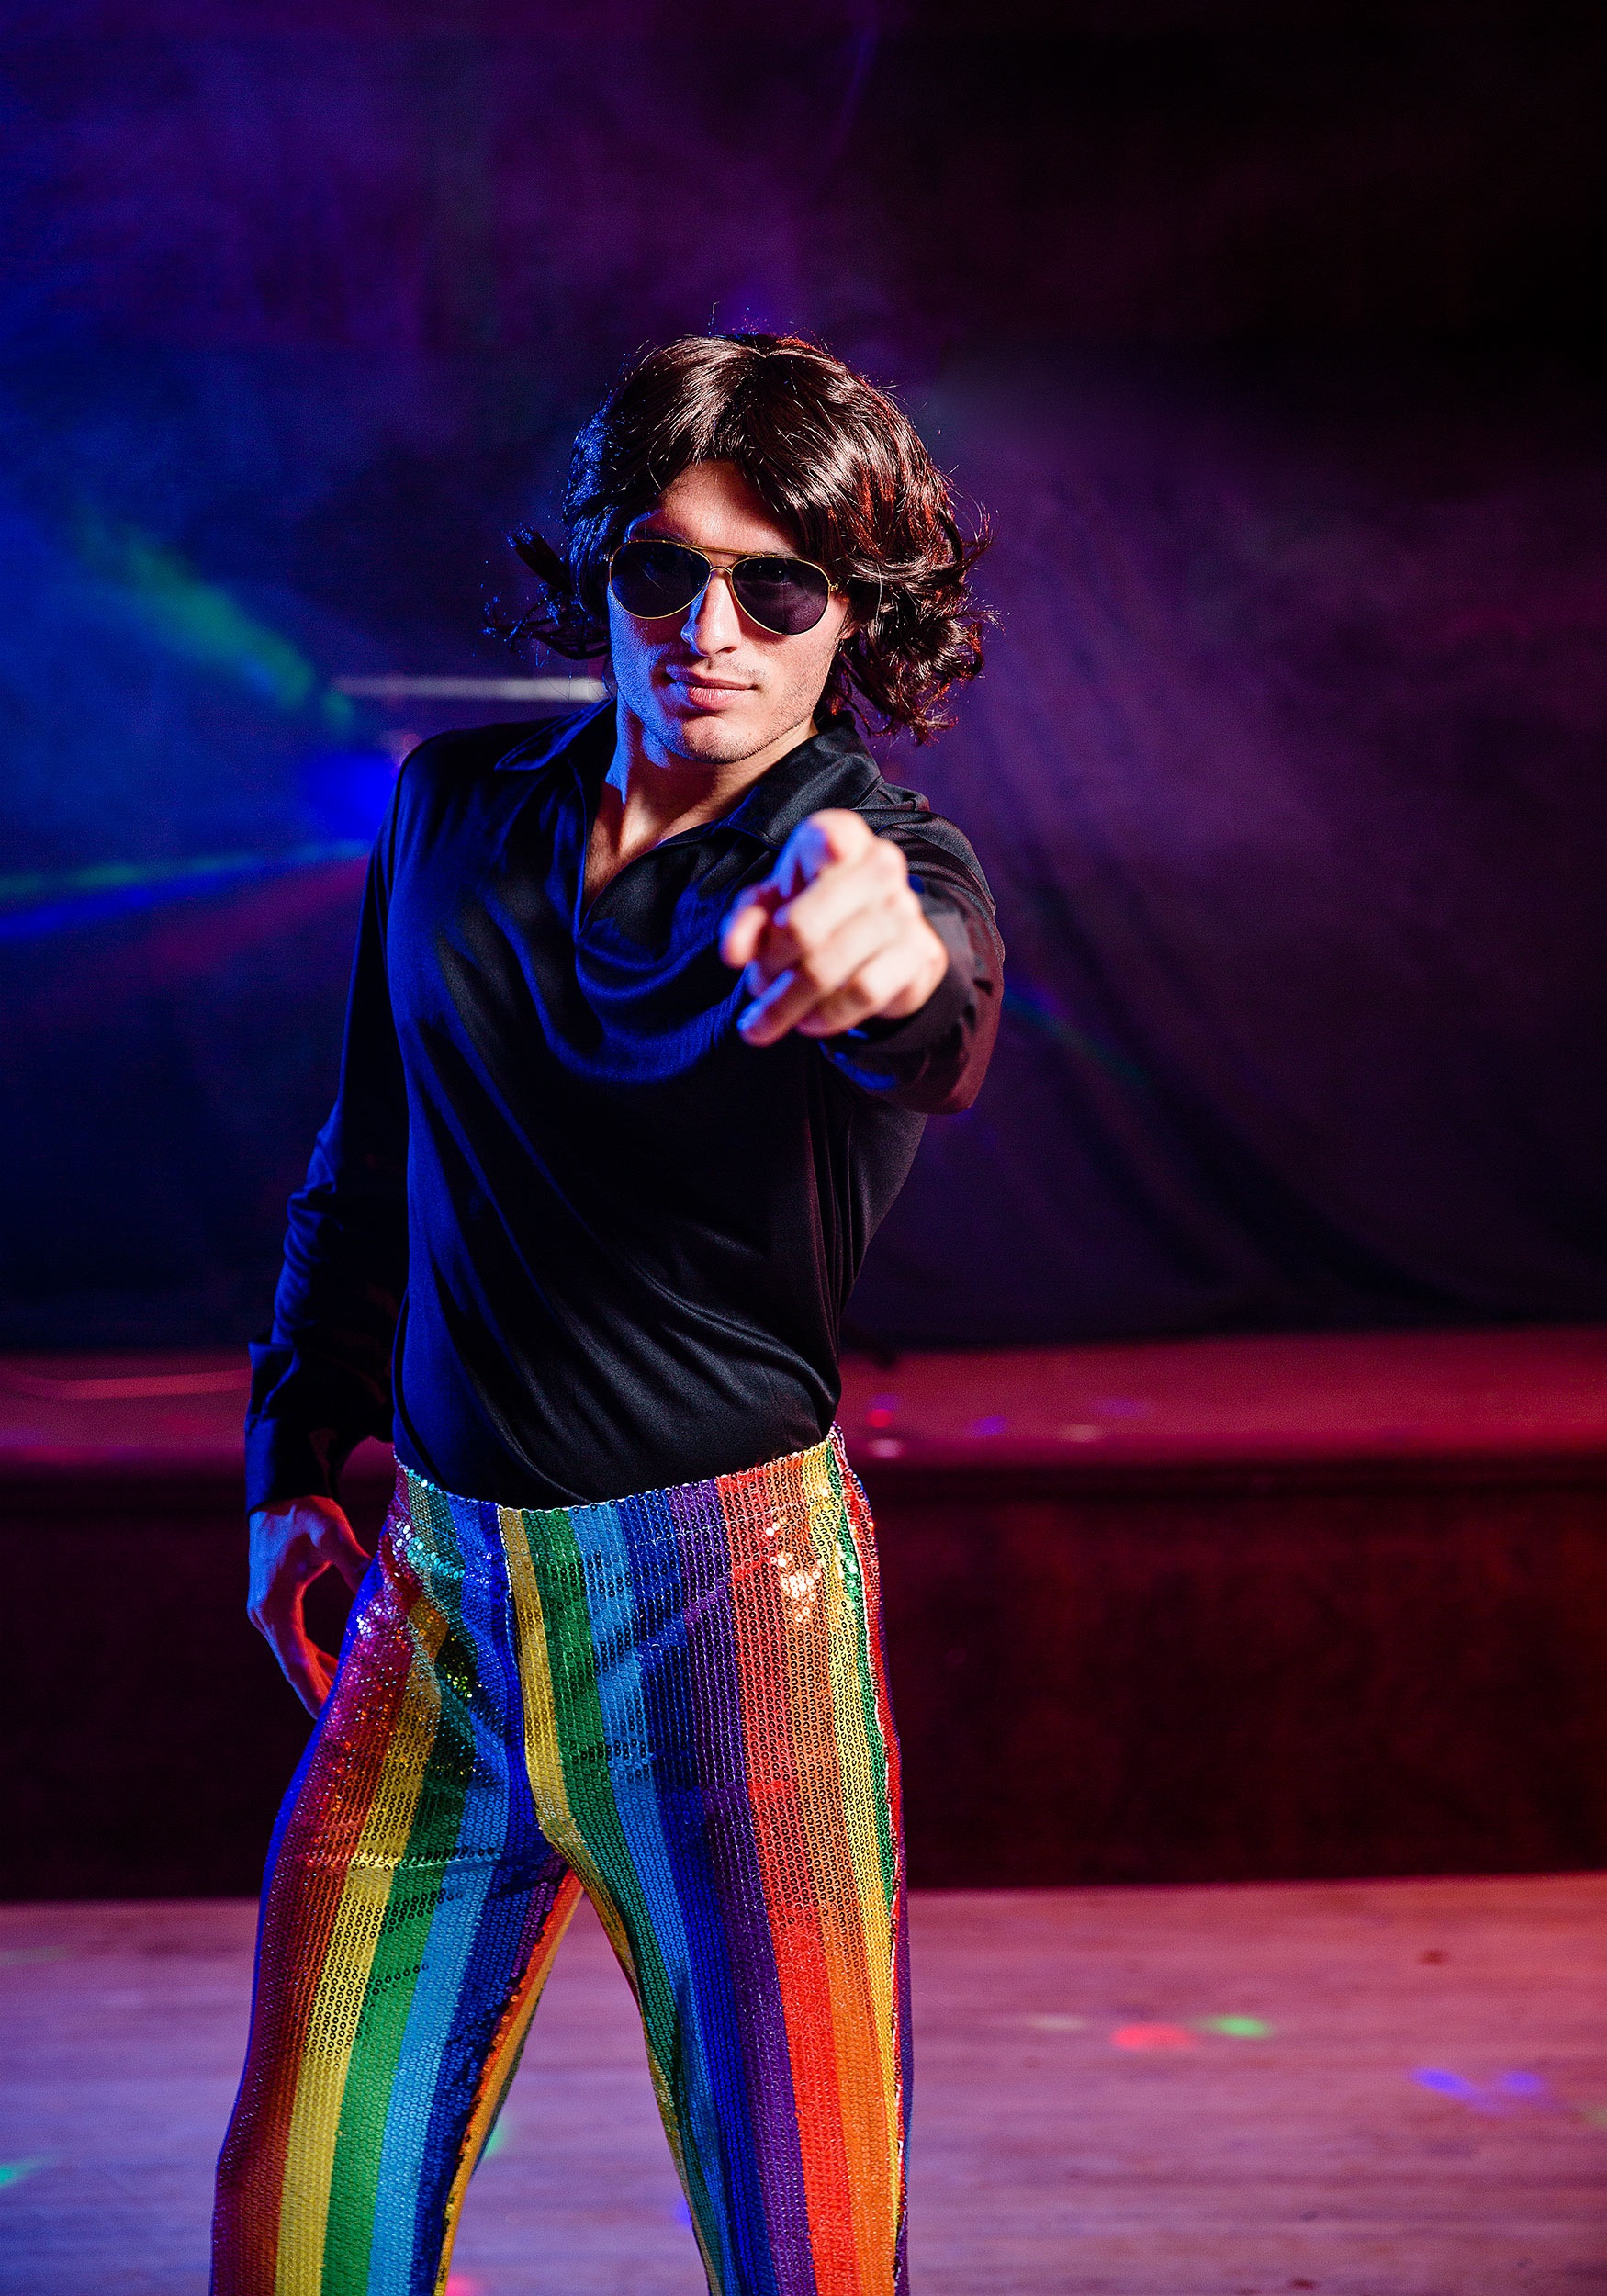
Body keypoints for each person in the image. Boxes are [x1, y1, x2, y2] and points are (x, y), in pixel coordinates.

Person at [214, 331, 1002, 2296]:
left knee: (808, 2245)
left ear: (855, 614)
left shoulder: (868, 864)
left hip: (732, 1623)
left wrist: (884, 945)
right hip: (437, 1609)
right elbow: (369, 1158)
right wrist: (294, 1453)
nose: (709, 628)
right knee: (300, 2223)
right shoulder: (451, 807)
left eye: (778, 587)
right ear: (601, 572)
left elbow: (932, 991)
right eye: (664, 568)